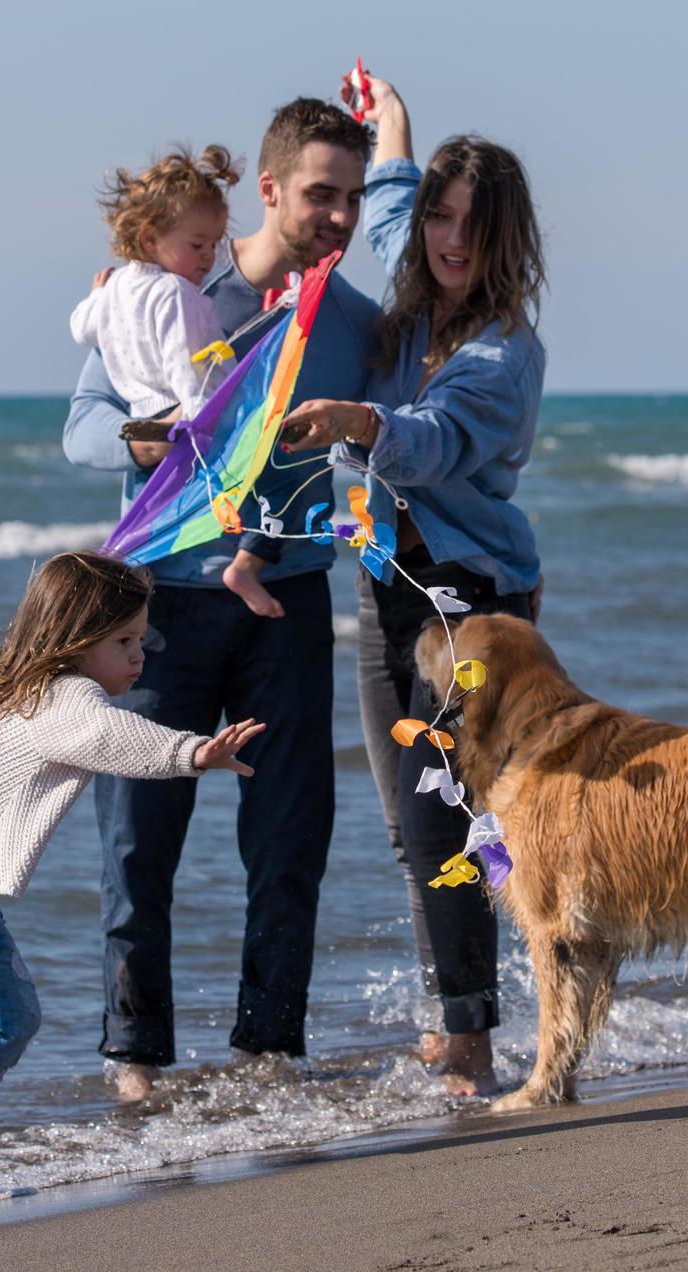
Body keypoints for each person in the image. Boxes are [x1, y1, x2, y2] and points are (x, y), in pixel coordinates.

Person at [62, 96, 379, 1099]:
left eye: (353, 199)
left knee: (289, 839)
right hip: (166, 608)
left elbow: (416, 380)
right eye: (319, 194)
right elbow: (78, 425)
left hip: (285, 599)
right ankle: (134, 1060)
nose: (336, 215)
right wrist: (139, 437)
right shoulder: (171, 289)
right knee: (135, 842)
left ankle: (269, 1051)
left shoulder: (354, 323)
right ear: (271, 189)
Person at [279, 77, 547, 1096]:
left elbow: (434, 441)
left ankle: (472, 1040)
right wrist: (391, 124)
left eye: (473, 225)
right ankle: (461, 1011)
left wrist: (359, 422)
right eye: (442, 215)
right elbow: (388, 198)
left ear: (507, 238)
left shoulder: (504, 352)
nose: (449, 238)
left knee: (452, 819)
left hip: (468, 594)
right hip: (384, 583)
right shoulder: (406, 262)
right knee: (409, 821)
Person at [0, 551, 266, 1208]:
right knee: (6, 1020)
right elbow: (112, 737)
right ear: (75, 640)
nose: (139, 656)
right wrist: (193, 753)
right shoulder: (64, 696)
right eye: (124, 641)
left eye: (141, 639)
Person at [64, 141, 283, 615]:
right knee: (268, 477)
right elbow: (185, 364)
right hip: (197, 416)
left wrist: (96, 295)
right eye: (197, 245)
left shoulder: (117, 286)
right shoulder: (176, 294)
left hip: (148, 415)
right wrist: (213, 419)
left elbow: (80, 329)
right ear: (149, 239)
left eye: (215, 244)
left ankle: (126, 569)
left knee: (155, 517)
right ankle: (245, 567)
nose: (209, 257)